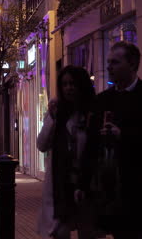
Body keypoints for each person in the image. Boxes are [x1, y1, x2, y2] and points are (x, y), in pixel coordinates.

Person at [78, 41, 142, 238]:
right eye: (108, 62)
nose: (108, 67)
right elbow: (90, 145)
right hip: (109, 189)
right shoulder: (102, 100)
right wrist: (83, 183)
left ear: (132, 64)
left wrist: (123, 135)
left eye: (115, 62)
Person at [36, 66, 98, 239]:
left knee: (87, 230)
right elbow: (41, 144)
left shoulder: (91, 113)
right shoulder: (57, 113)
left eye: (73, 83)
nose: (68, 88)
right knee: (60, 231)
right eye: (64, 84)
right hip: (61, 184)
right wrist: (52, 119)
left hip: (86, 182)